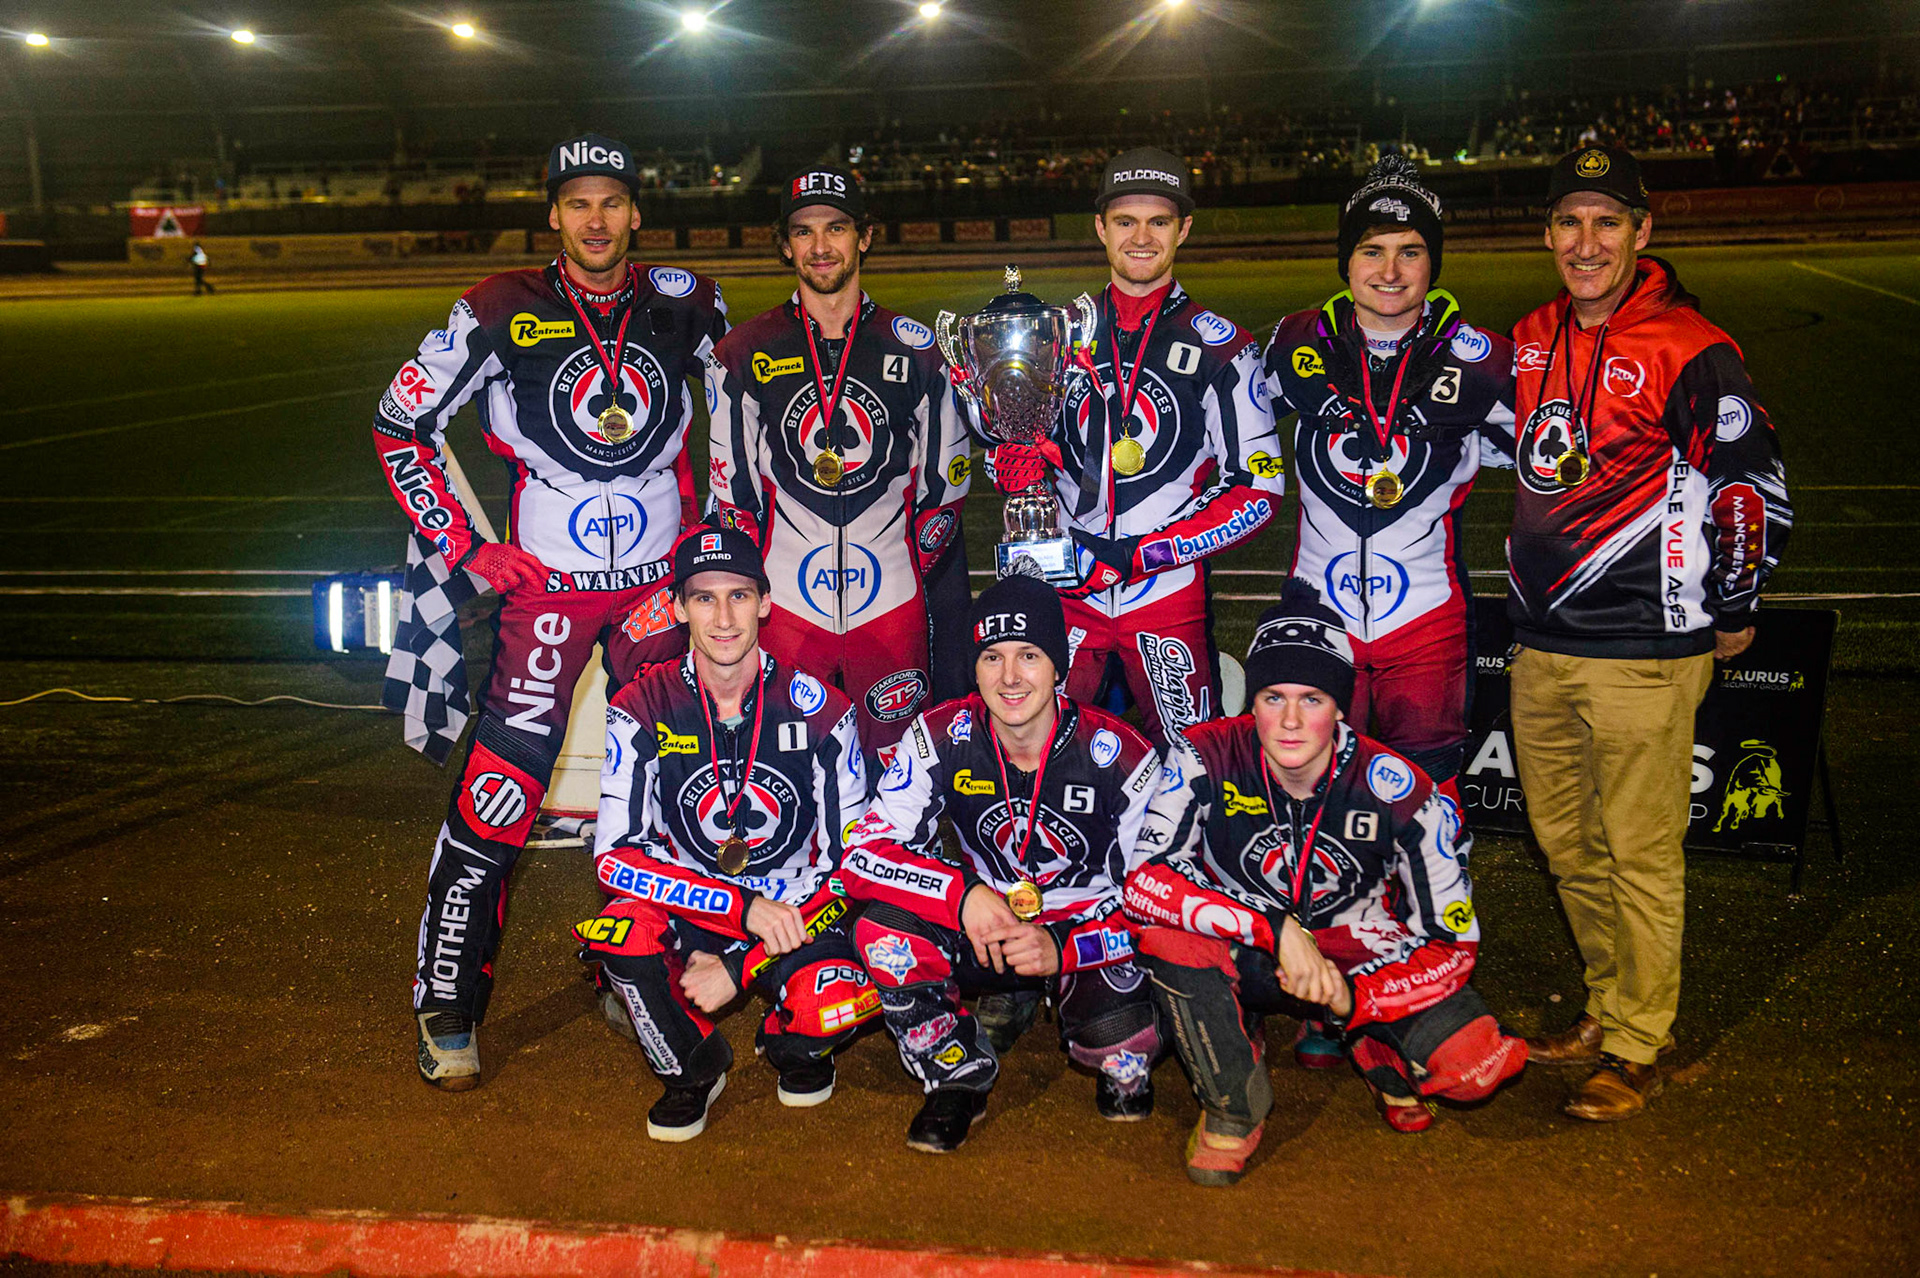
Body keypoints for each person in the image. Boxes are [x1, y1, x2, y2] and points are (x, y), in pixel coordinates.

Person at [382, 132, 728, 1090]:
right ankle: (448, 1004)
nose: (596, 220)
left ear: (636, 216)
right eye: (578, 203)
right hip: (547, 597)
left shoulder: (689, 301)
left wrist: (717, 538)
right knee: (498, 801)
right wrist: (466, 545)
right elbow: (398, 419)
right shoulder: (496, 306)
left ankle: (650, 975)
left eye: (612, 202)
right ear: (554, 217)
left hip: (660, 592)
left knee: (685, 791)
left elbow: (737, 408)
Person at [1508, 146, 1792, 1121]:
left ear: (1642, 232)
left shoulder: (1690, 345)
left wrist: (1737, 604)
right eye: (1569, 223)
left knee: (1639, 852)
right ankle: (1604, 1002)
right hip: (1544, 641)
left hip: (1645, 644)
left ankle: (1638, 1041)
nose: (1586, 244)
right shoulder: (1532, 332)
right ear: (1547, 234)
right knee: (1564, 842)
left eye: (1607, 222)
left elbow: (1753, 486)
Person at [1124, 582, 1526, 1186]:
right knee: (1162, 936)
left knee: (1475, 1063)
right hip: (1254, 947)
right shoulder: (1203, 754)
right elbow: (1144, 882)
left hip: (1359, 956)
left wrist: (1355, 999)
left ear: (1340, 705)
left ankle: (1370, 1042)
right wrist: (1274, 929)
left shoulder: (1404, 790)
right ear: (1251, 703)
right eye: (1272, 696)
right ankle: (1235, 1102)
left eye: (1311, 698)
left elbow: (1452, 942)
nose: (1289, 720)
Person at [1258, 155, 1515, 1069]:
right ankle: (1317, 989)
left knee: (1424, 813)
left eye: (1412, 251)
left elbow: (1556, 469)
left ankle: (1416, 983)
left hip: (1427, 626)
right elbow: (1219, 446)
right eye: (1373, 250)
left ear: (1433, 263)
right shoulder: (1292, 343)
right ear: (1346, 259)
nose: (1392, 270)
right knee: (1302, 808)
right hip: (1319, 625)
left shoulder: (1478, 359)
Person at [837, 576, 1164, 1152]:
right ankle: (955, 1071)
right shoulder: (939, 735)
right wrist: (959, 896)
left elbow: (1153, 899)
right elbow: (861, 853)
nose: (1010, 678)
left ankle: (1080, 1012)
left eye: (1029, 656)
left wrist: (1064, 946)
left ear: (1059, 666)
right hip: (983, 922)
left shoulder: (1121, 754)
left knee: (1123, 1054)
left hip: (1085, 928)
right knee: (883, 925)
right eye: (993, 657)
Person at [576, 525, 877, 1141]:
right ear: (679, 606)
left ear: (766, 602)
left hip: (795, 909)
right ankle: (692, 1068)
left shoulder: (822, 708)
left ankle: (789, 1042)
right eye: (704, 598)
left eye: (739, 595)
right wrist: (739, 910)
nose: (723, 617)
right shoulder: (640, 705)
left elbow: (859, 863)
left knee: (838, 999)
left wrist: (741, 962)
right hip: (692, 901)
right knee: (620, 938)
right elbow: (614, 859)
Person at [985, 146, 1284, 749]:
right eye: (1125, 221)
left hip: (1168, 595)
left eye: (1159, 221)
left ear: (1184, 229)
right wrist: (1012, 468)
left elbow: (1259, 488)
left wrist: (1138, 556)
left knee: (1192, 764)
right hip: (1064, 591)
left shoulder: (1223, 346)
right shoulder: (1053, 331)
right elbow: (1014, 442)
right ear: (1100, 228)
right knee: (1040, 750)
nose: (1141, 237)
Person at [706, 163, 972, 749]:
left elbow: (943, 495)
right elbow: (733, 500)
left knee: (899, 779)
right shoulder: (741, 352)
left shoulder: (921, 351)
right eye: (803, 232)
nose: (821, 246)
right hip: (787, 607)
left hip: (891, 604)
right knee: (786, 771)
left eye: (837, 228)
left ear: (865, 236)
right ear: (784, 245)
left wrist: (898, 577)